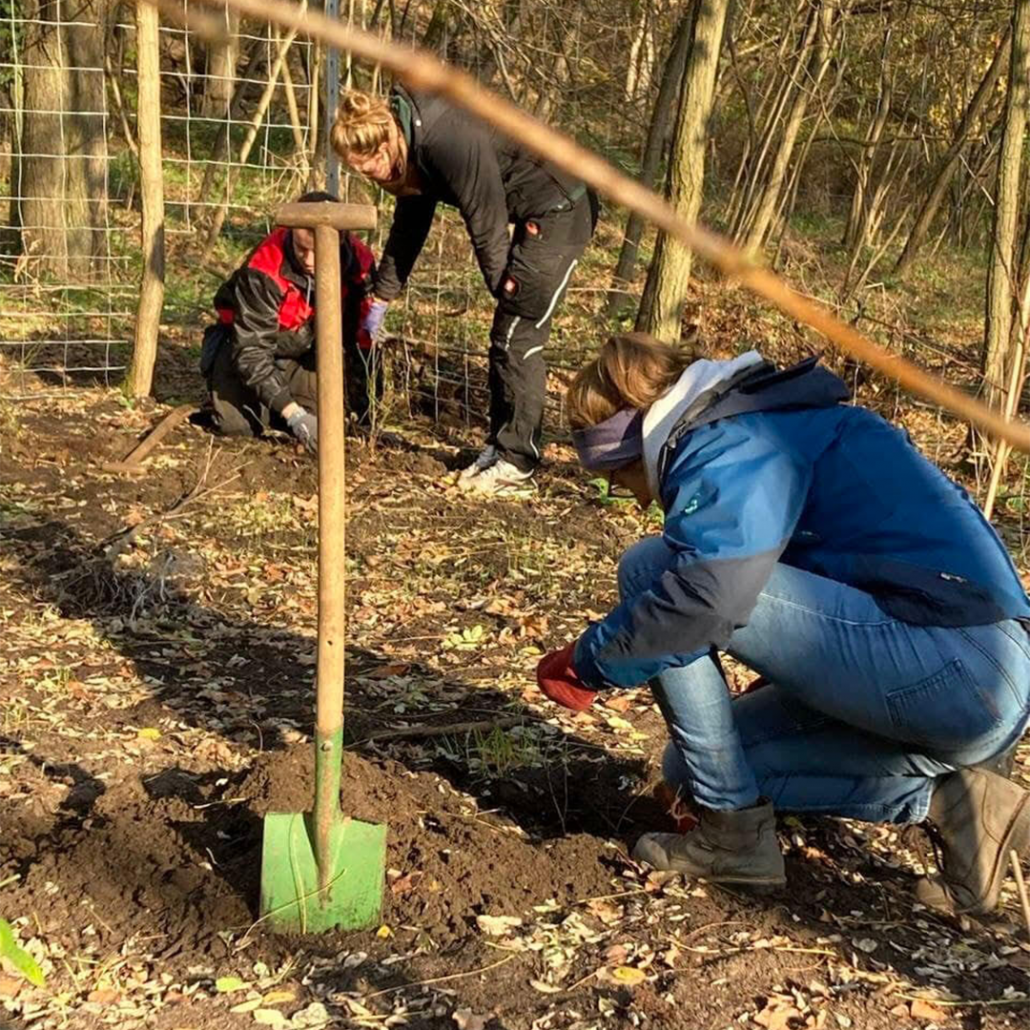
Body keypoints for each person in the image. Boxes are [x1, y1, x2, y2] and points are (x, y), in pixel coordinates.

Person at [535, 331, 1030, 915]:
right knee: (698, 769)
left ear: (639, 434)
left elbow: (705, 599)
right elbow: (841, 563)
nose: (634, 498)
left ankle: (732, 838)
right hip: (972, 675)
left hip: (958, 668)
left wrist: (592, 662)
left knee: (653, 571)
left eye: (619, 476)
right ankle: (961, 803)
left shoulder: (731, 441)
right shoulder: (768, 422)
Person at [330, 88, 599, 495]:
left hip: (563, 206)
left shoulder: (446, 139)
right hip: (535, 210)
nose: (371, 175)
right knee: (504, 338)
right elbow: (409, 225)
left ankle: (517, 465)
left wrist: (503, 288)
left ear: (386, 141)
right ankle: (499, 446)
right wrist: (382, 295)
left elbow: (485, 215)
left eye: (371, 166)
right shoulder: (414, 146)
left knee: (517, 336)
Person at [199, 191, 381, 452]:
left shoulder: (359, 266)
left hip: (304, 352)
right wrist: (294, 414)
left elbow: (362, 342)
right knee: (237, 428)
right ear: (291, 233)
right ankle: (269, 405)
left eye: (316, 251)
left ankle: (282, 406)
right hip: (246, 347)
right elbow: (251, 352)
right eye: (301, 248)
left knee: (326, 425)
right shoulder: (263, 268)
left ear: (340, 241)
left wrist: (364, 414)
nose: (308, 260)